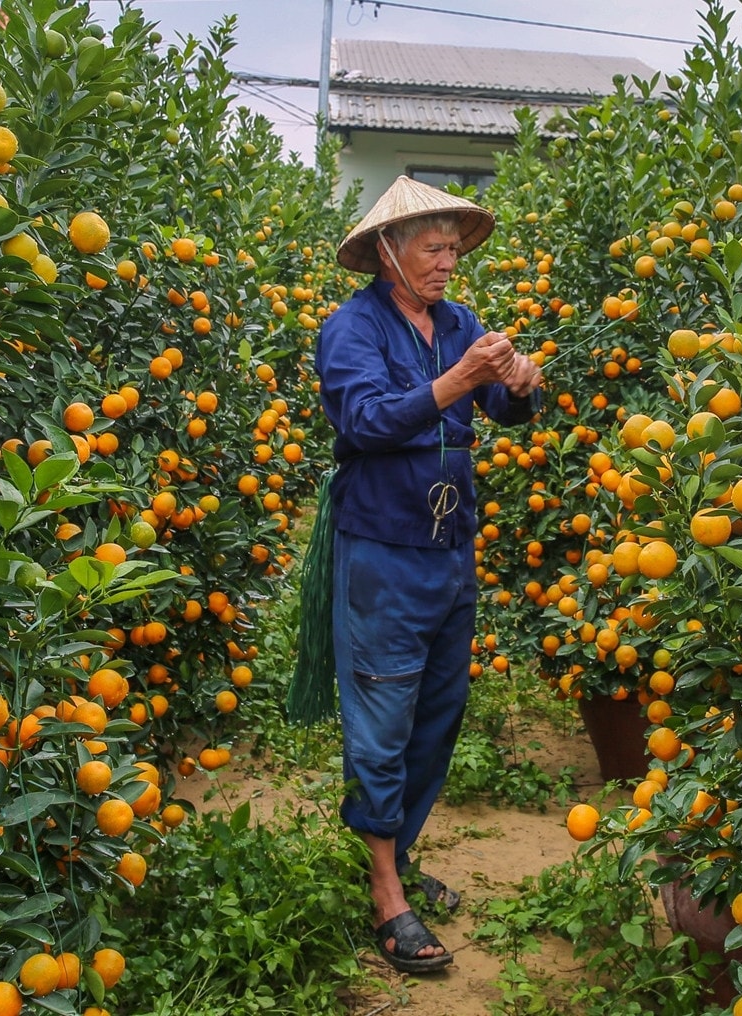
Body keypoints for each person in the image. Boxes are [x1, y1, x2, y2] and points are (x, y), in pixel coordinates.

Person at [316, 176, 542, 973]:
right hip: (382, 548)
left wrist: (520, 383)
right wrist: (457, 381)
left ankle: (395, 854)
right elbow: (366, 421)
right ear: (388, 252)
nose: (449, 263)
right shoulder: (351, 328)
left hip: (449, 546)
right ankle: (385, 893)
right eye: (433, 248)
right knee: (381, 715)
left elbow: (503, 411)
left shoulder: (459, 323)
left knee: (436, 714)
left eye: (454, 248)